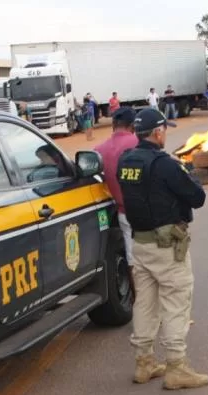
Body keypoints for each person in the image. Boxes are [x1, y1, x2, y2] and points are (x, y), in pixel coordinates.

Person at [117, 108, 208, 389]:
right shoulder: (165, 164)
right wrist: (189, 173)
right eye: (164, 130)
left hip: (140, 244)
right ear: (157, 132)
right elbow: (198, 198)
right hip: (167, 246)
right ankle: (176, 367)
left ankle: (144, 363)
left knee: (145, 304)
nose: (165, 134)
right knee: (176, 302)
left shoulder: (126, 161)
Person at [94, 106, 139, 290]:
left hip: (123, 214)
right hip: (150, 214)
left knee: (132, 259)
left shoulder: (99, 150)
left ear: (113, 125)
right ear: (133, 125)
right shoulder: (139, 143)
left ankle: (140, 302)